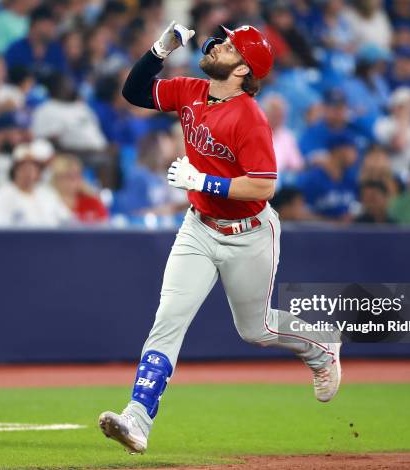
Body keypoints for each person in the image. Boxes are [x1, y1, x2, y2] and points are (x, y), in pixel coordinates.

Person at [98, 21, 341, 454]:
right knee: (168, 319)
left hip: (249, 233)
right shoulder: (190, 89)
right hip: (199, 227)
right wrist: (159, 50)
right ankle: (137, 418)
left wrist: (204, 180)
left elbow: (264, 186)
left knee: (256, 329)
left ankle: (321, 346)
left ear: (243, 69)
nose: (219, 44)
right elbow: (134, 93)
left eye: (231, 45)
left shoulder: (250, 116)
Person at [31, 72, 117, 188]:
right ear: (55, 88)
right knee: (103, 161)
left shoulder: (82, 107)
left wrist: (103, 147)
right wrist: (82, 152)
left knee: (116, 156)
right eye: (66, 84)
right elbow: (48, 143)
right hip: (73, 155)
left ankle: (109, 199)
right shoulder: (47, 109)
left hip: (97, 152)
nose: (71, 87)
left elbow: (95, 133)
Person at [0, 142, 71, 227]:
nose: (29, 172)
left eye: (33, 168)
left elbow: (67, 220)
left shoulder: (47, 193)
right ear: (15, 170)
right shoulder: (3, 194)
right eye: (24, 168)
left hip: (51, 238)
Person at [296, 132, 360, 221]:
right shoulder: (312, 180)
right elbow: (299, 214)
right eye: (352, 149)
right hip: (317, 234)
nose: (355, 155)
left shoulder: (352, 179)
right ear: (339, 150)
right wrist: (332, 222)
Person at [374, 87, 410, 181]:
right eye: (406, 105)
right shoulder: (384, 124)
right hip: (389, 175)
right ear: (395, 107)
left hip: (409, 177)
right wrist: (404, 118)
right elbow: (399, 144)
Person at [50, 153, 108, 224]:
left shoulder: (92, 202)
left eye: (77, 175)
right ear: (57, 178)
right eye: (68, 176)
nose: (73, 180)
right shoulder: (47, 201)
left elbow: (105, 228)